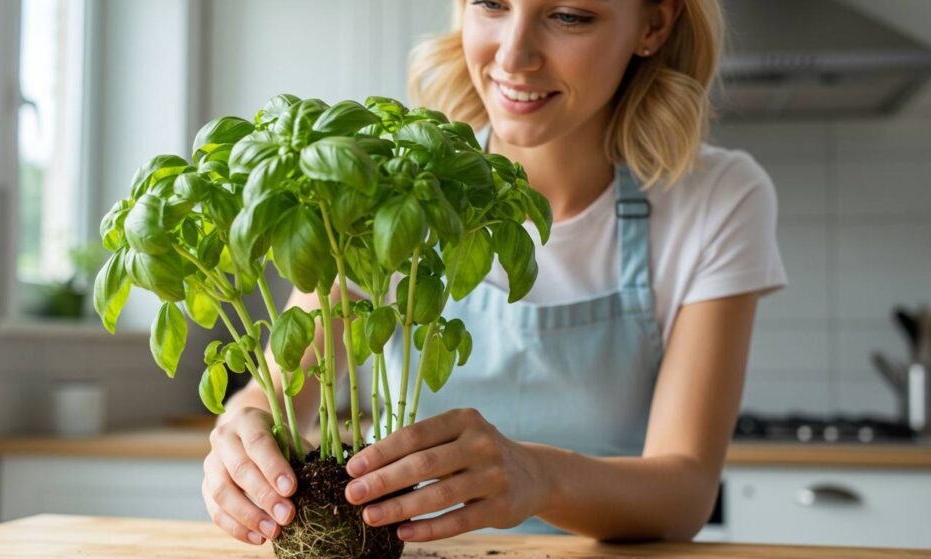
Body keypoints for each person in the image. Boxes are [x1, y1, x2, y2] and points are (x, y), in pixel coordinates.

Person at [202, 0, 786, 546]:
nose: (512, 56)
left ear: (654, 25)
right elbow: (276, 392)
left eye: (568, 16)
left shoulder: (718, 199)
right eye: (491, 2)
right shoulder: (386, 183)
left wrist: (539, 477)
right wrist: (244, 432)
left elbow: (684, 493)